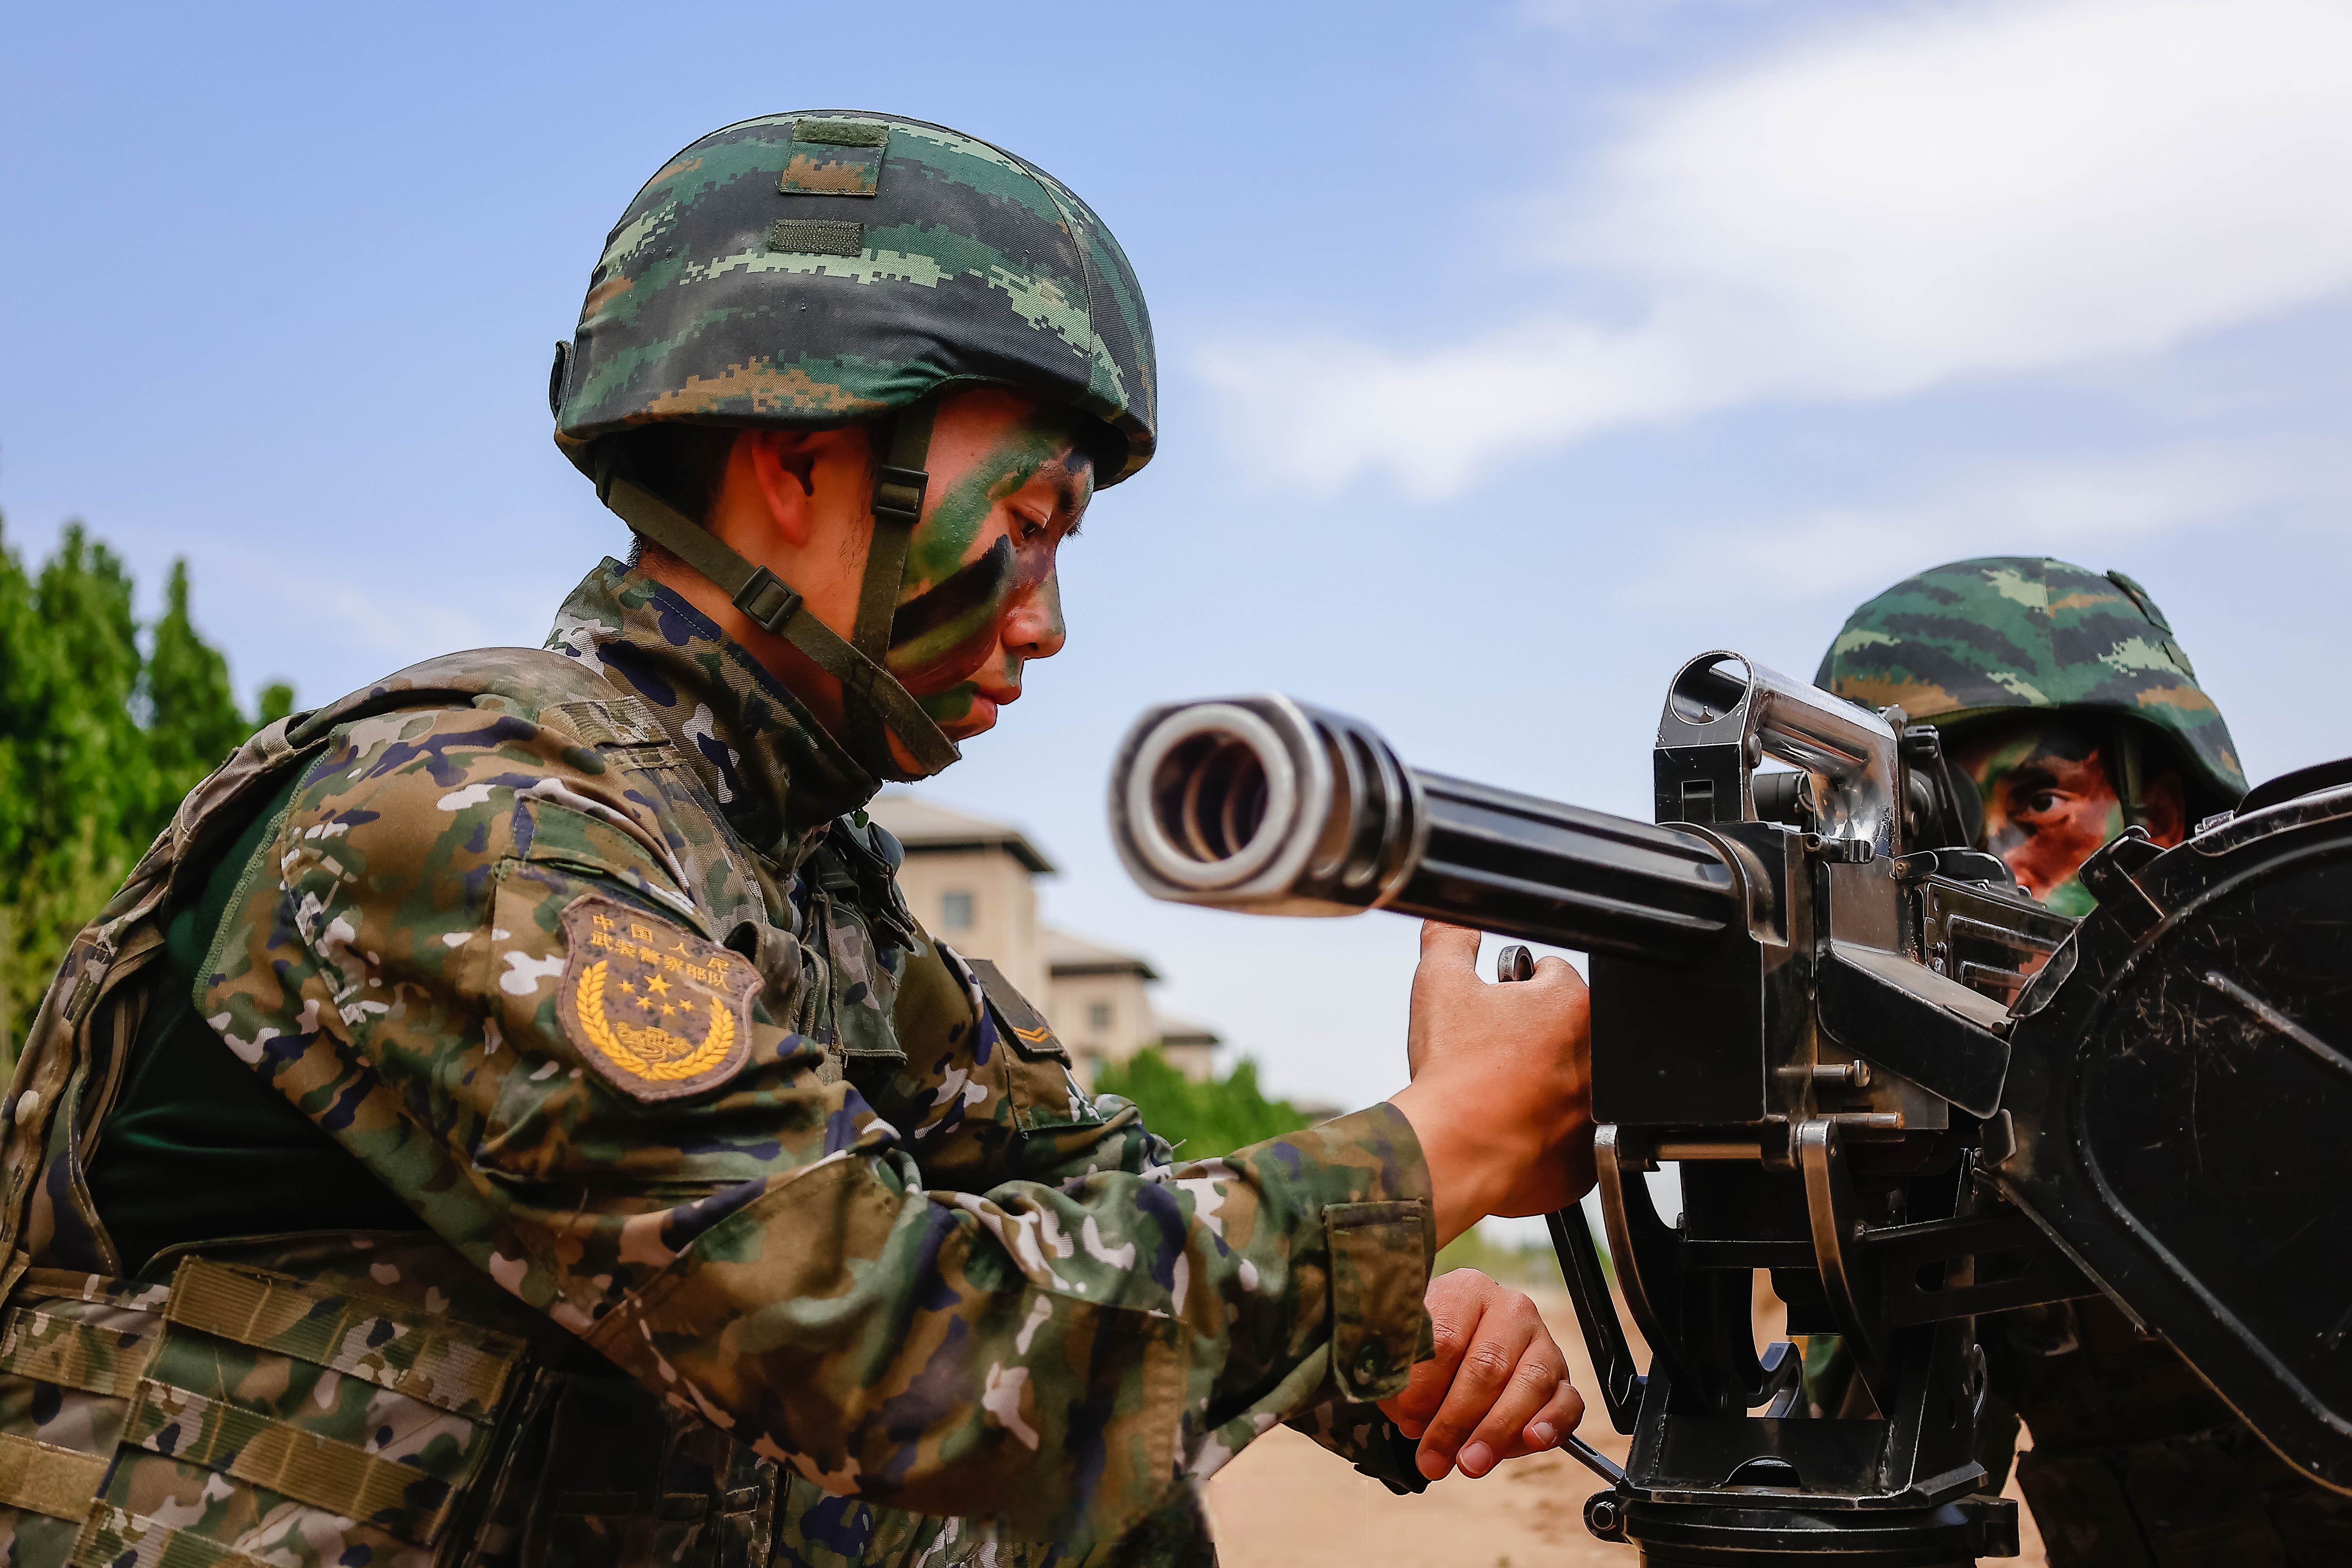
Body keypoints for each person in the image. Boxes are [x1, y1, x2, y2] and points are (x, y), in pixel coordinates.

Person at [0, 114, 1596, 1568]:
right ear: (800, 464)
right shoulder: (477, 821)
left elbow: (1081, 1183)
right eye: (1028, 526)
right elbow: (906, 1351)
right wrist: (1442, 1140)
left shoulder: (794, 870)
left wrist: (1381, 1340)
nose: (1046, 621)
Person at [1819, 554, 2352, 1565]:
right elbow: (1854, 1498)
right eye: (1924, 835)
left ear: (2167, 819)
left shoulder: (2316, 1038)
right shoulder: (1963, 1139)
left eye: (2040, 806)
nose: (1992, 877)